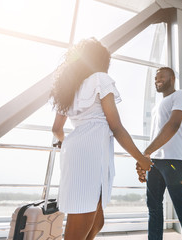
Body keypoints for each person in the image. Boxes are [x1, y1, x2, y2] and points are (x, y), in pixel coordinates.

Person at [50, 38, 153, 240]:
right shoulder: (100, 79)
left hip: (75, 150)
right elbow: (116, 127)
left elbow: (56, 129)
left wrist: (64, 144)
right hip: (91, 153)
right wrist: (141, 159)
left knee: (96, 220)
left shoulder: (69, 88)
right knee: (79, 228)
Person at [136, 67, 182, 240]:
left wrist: (145, 153)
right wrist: (146, 160)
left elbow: (173, 125)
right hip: (155, 162)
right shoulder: (157, 105)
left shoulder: (181, 95)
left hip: (175, 161)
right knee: (154, 209)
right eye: (155, 78)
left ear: (172, 78)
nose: (157, 80)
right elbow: (157, 134)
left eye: (161, 77)